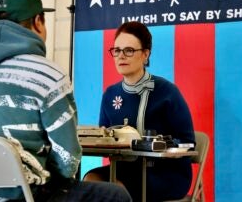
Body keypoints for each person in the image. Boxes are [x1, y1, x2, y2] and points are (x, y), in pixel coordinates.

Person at [0, 0, 132, 202]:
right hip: (25, 195)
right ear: (38, 22)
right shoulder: (48, 75)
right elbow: (68, 158)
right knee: (115, 195)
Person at [83, 21, 195, 202]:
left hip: (165, 173)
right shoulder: (110, 94)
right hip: (125, 169)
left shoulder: (167, 92)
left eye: (129, 50)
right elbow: (103, 138)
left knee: (116, 190)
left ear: (145, 54)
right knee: (91, 180)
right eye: (117, 51)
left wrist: (156, 144)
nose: (121, 56)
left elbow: (188, 142)